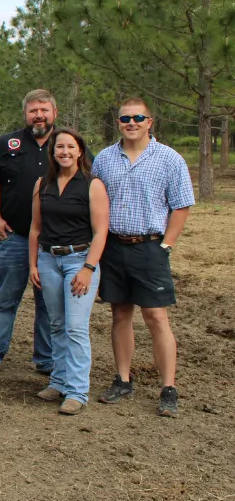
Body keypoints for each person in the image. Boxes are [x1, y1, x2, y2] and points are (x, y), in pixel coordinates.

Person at [91, 98, 194, 418]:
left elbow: (181, 206)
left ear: (149, 122)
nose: (131, 123)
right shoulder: (104, 159)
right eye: (125, 118)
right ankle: (123, 379)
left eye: (138, 118)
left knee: (156, 316)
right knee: (120, 314)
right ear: (118, 123)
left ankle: (168, 388)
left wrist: (166, 246)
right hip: (114, 247)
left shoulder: (169, 159)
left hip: (150, 247)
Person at [0, 90, 58, 379]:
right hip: (15, 238)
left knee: (49, 304)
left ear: (54, 112)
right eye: (33, 111)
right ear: (25, 114)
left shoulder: (67, 144)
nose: (39, 116)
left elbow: (90, 185)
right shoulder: (7, 144)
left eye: (44, 110)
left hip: (53, 243)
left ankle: (47, 359)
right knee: (5, 300)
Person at [27, 128, 109, 415]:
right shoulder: (42, 184)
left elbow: (100, 232)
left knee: (75, 327)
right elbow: (35, 228)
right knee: (57, 324)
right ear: (53, 152)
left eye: (70, 147)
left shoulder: (92, 185)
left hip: (79, 260)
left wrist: (88, 269)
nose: (64, 152)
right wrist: (33, 264)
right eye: (59, 147)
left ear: (80, 151)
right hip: (49, 260)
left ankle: (77, 391)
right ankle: (58, 381)